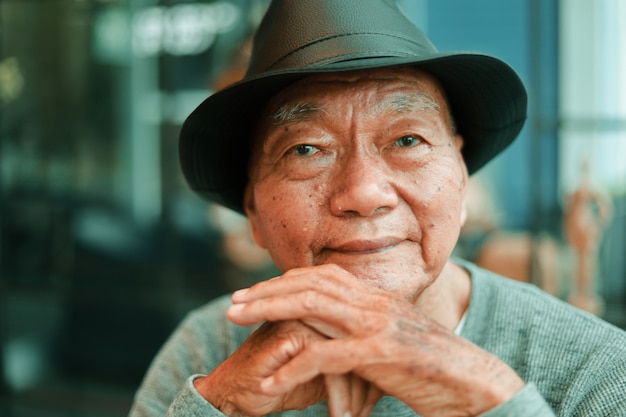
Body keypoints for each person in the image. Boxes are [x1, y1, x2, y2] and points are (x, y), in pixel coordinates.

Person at [129, 1, 626, 416]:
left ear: (462, 179)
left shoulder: (597, 370)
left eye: (408, 139)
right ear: (253, 213)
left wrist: (491, 398)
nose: (364, 193)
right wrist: (223, 402)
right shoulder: (209, 347)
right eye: (305, 149)